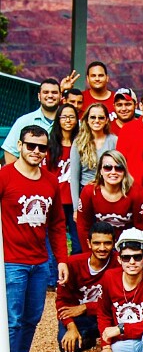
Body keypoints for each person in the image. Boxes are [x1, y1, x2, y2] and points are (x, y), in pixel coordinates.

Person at [0, 125, 69, 352]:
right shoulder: (4, 177)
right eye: (31, 146)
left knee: (31, 320)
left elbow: (56, 223)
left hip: (40, 261)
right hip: (11, 261)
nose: (36, 152)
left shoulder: (50, 181)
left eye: (42, 148)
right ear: (19, 145)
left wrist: (61, 259)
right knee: (11, 322)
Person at [56, 221, 118, 352]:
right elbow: (61, 301)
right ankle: (77, 350)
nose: (102, 248)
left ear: (114, 243)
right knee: (67, 343)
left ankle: (116, 351)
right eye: (97, 243)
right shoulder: (72, 264)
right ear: (88, 243)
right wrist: (70, 326)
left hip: (109, 316)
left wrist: (85, 307)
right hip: (83, 318)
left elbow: (119, 301)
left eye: (107, 243)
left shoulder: (120, 263)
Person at [76, 150, 143, 249]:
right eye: (107, 168)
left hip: (128, 246)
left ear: (125, 171)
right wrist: (89, 252)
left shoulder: (137, 192)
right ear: (100, 170)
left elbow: (141, 227)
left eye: (119, 168)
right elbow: (83, 226)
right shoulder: (89, 192)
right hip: (100, 246)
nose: (113, 172)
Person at [69, 103, 118, 214]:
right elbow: (74, 178)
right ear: (86, 120)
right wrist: (76, 208)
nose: (97, 120)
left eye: (101, 117)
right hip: (85, 193)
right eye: (93, 117)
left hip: (109, 193)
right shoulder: (78, 142)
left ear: (106, 120)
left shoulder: (115, 141)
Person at [47, 102, 81, 254]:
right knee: (55, 242)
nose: (68, 120)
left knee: (78, 243)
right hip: (56, 201)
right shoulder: (49, 145)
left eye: (71, 117)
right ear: (58, 119)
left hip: (76, 202)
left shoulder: (81, 144)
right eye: (64, 117)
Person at [2, 78, 61, 163]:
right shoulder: (24, 121)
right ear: (39, 96)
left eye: (54, 92)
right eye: (46, 92)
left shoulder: (71, 123)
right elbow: (10, 152)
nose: (50, 95)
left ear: (61, 96)